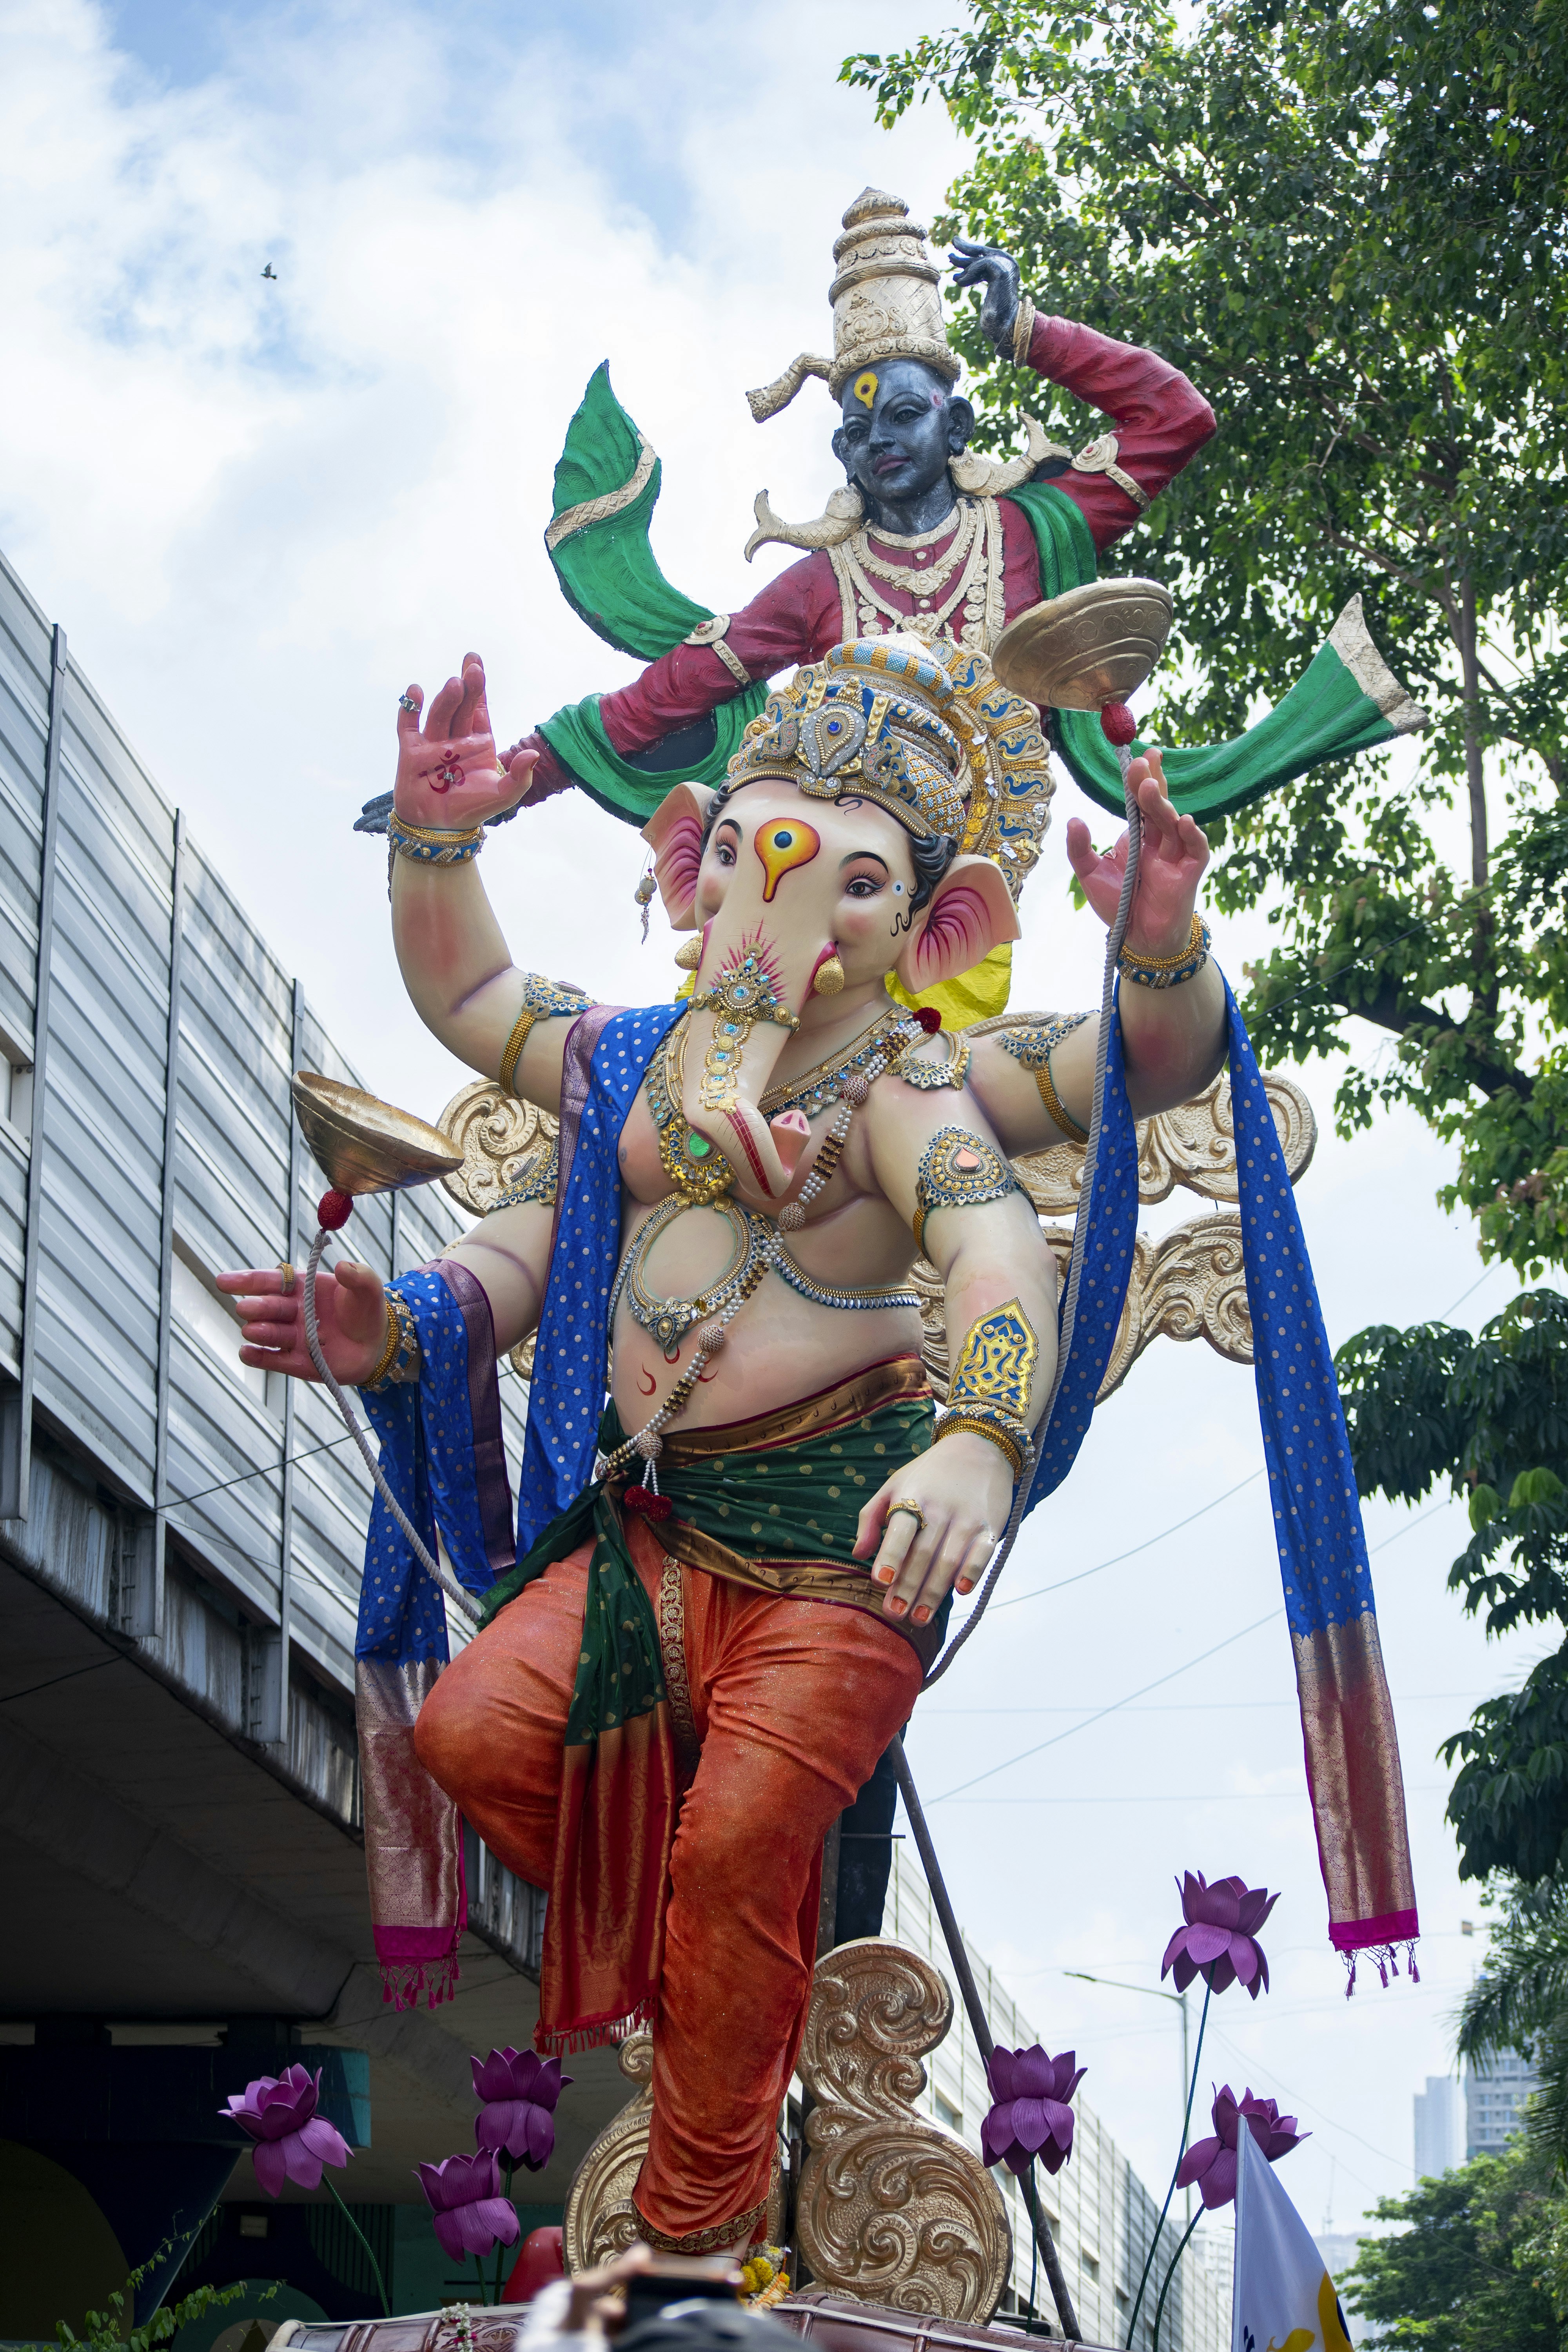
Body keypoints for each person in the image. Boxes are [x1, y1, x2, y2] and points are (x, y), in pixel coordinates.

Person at [223, 629, 1226, 2255]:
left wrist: (977, 1436)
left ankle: (692, 2235)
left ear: (930, 924)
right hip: (656, 1531)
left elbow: (1021, 1212)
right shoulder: (629, 1064)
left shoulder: (914, 1081)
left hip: (848, 1532)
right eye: (763, 854)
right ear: (691, 868)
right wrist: (433, 840)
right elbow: (477, 1022)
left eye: (850, 879)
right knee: (476, 1738)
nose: (788, 906)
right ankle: (703, 1985)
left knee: (746, 1837)